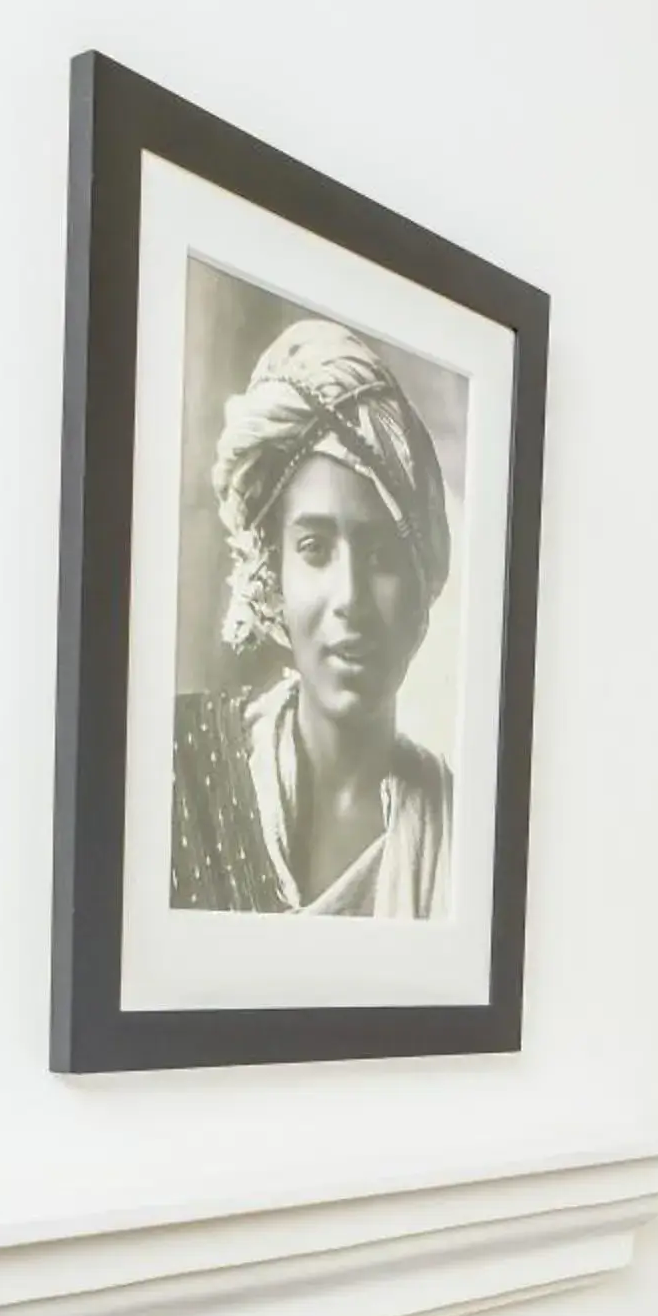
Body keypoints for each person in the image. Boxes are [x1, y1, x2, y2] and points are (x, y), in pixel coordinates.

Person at [171, 316, 453, 917]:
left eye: (380, 556)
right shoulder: (180, 769)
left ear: (420, 583)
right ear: (271, 569)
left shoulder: (458, 831)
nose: (349, 597)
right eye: (314, 549)